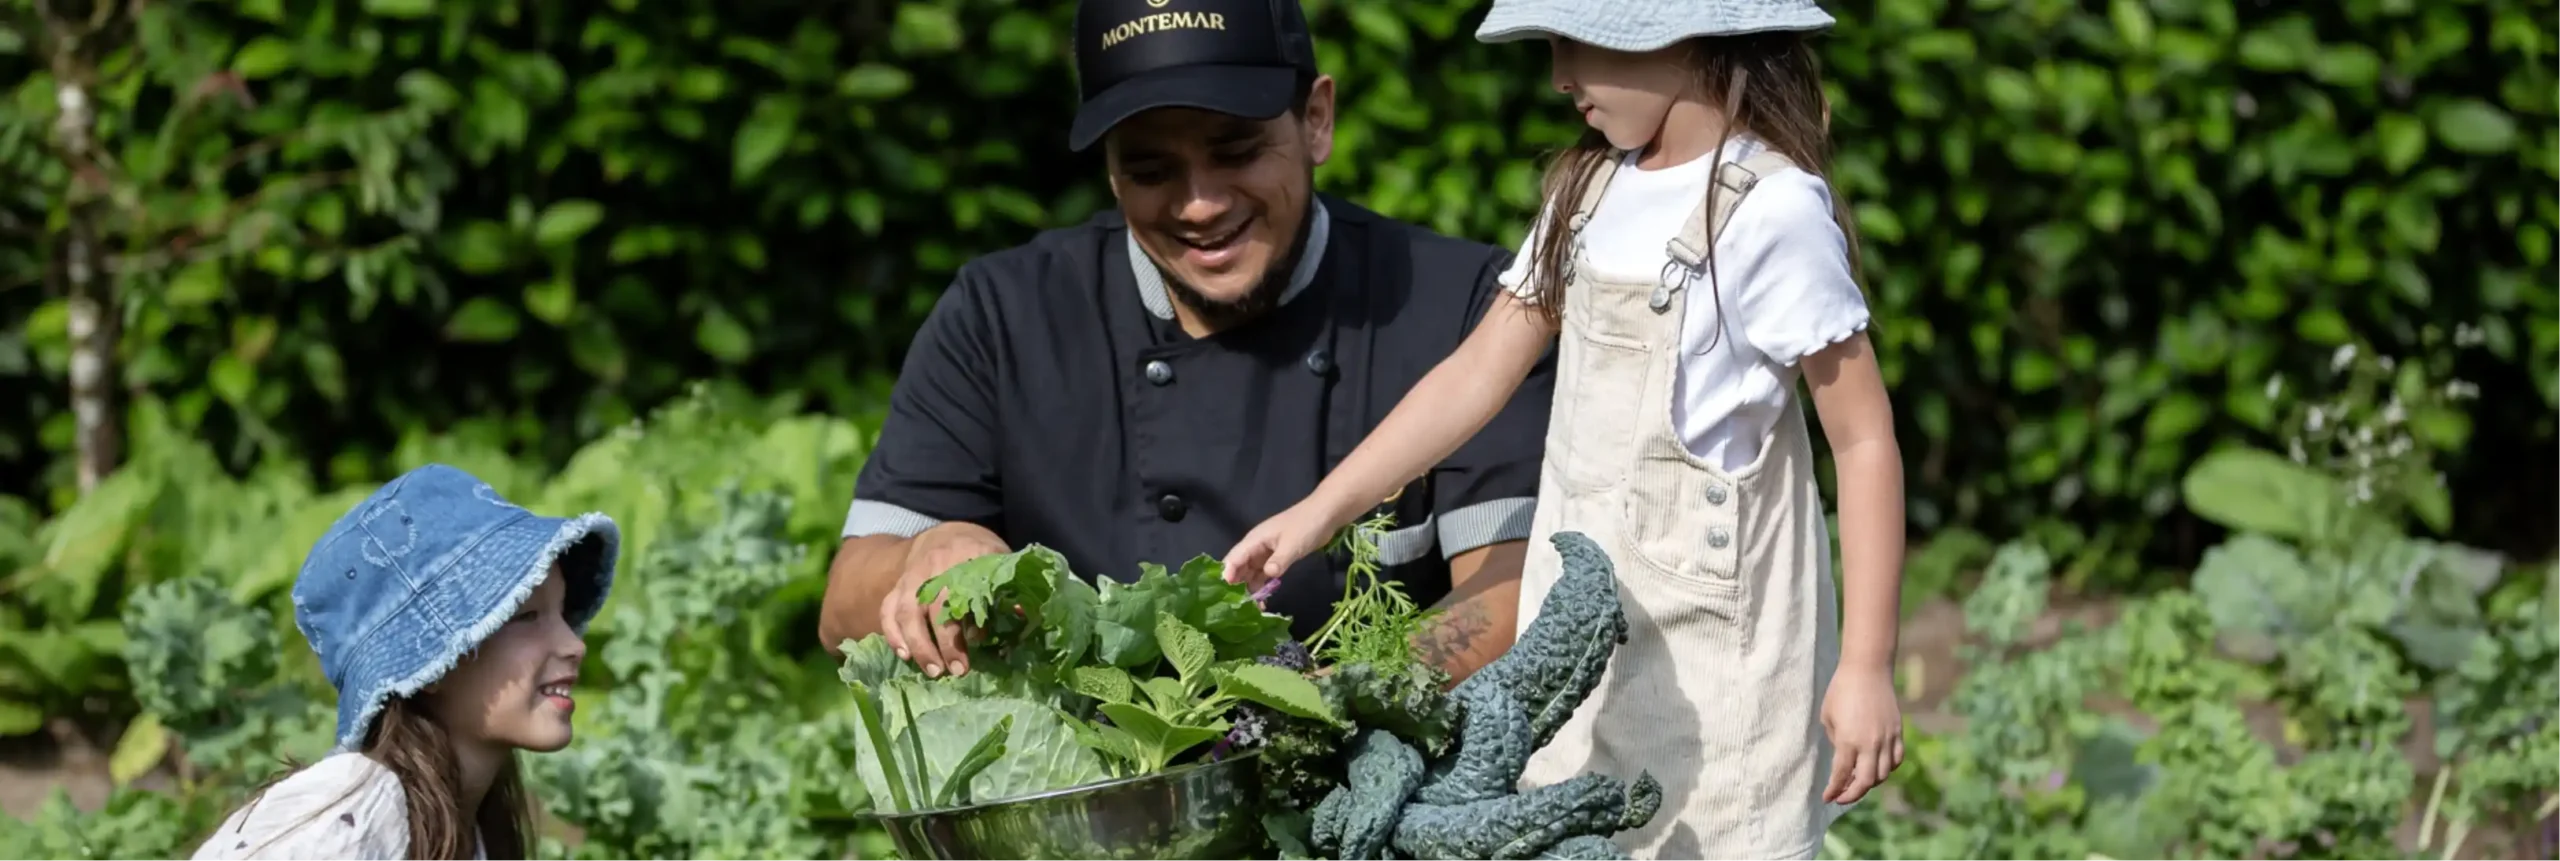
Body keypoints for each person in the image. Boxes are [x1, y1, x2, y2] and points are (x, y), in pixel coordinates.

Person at [1217, 0, 1907, 856]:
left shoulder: (1773, 210)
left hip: (1719, 663)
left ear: (1678, 33)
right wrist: (1321, 511)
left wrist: (1867, 663)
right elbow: (1475, 375)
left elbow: (1865, 442)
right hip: (1573, 651)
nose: (1559, 76)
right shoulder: (1589, 191)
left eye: (1574, 43)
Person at [814, 0, 1557, 686]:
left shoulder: (1464, 306)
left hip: (1383, 794)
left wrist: (1327, 708)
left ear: (1317, 120)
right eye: (1149, 168)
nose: (1201, 202)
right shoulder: (1003, 316)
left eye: (1236, 151)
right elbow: (844, 603)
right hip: (1091, 806)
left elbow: (1515, 593)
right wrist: (931, 552)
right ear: (1109, 168)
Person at [191, 464, 618, 861]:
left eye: (561, 613)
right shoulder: (347, 823)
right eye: (526, 617)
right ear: (428, 666)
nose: (573, 644)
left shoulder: (466, 826)